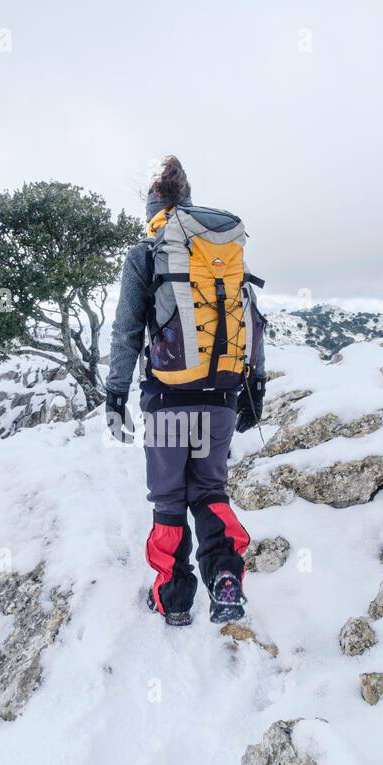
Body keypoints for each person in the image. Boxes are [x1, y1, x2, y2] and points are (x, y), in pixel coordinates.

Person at [106, 156, 268, 626]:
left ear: (154, 207)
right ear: (188, 203)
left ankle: (174, 600)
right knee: (210, 490)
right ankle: (226, 579)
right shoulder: (223, 253)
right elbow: (253, 318)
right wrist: (253, 384)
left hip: (167, 399)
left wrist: (116, 396)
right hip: (221, 393)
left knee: (169, 500)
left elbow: (125, 331)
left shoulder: (146, 253)